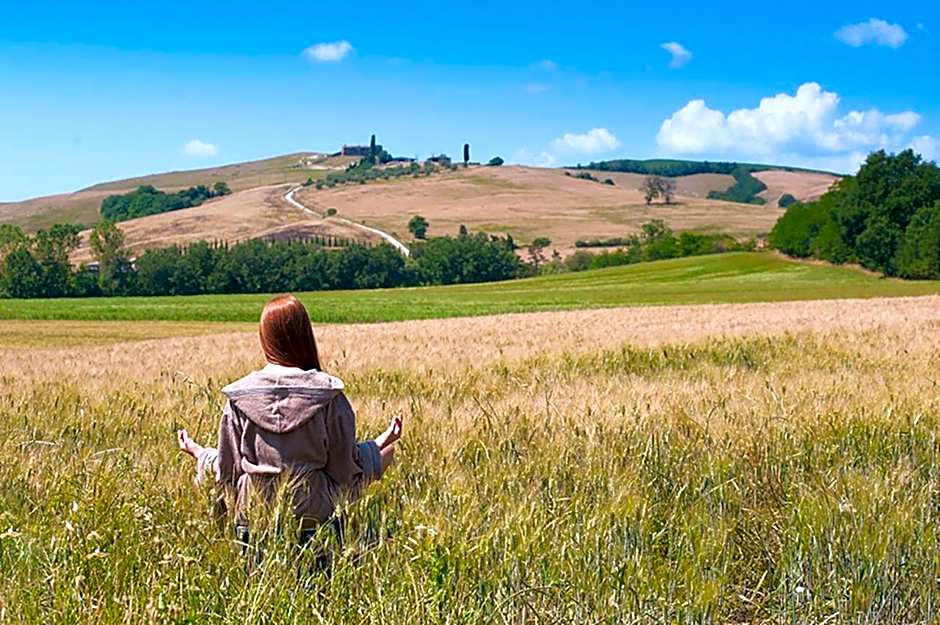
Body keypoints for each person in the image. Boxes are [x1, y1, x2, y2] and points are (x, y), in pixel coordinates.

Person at [177, 293, 402, 547]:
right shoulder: (329, 397)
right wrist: (379, 445)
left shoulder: (238, 399)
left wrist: (199, 453)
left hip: (254, 522)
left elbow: (227, 473)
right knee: (385, 454)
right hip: (316, 523)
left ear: (265, 339)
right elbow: (345, 472)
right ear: (304, 336)